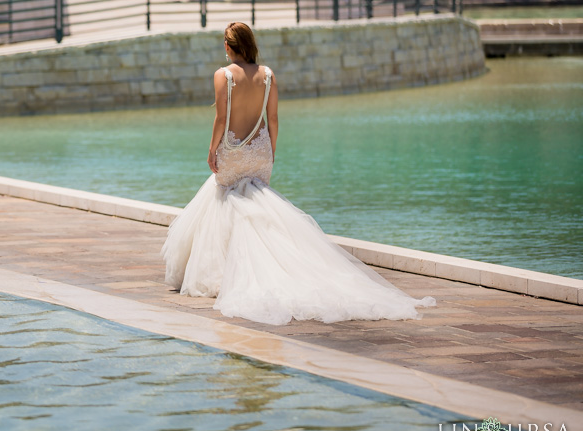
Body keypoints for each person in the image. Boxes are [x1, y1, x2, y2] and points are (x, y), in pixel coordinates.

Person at [161, 22, 434, 325]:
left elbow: (221, 118)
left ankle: (225, 272)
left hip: (233, 149)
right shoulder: (267, 75)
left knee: (224, 197)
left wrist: (212, 149)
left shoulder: (223, 75)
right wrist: (271, 152)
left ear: (228, 46)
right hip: (261, 151)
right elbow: (273, 118)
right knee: (255, 200)